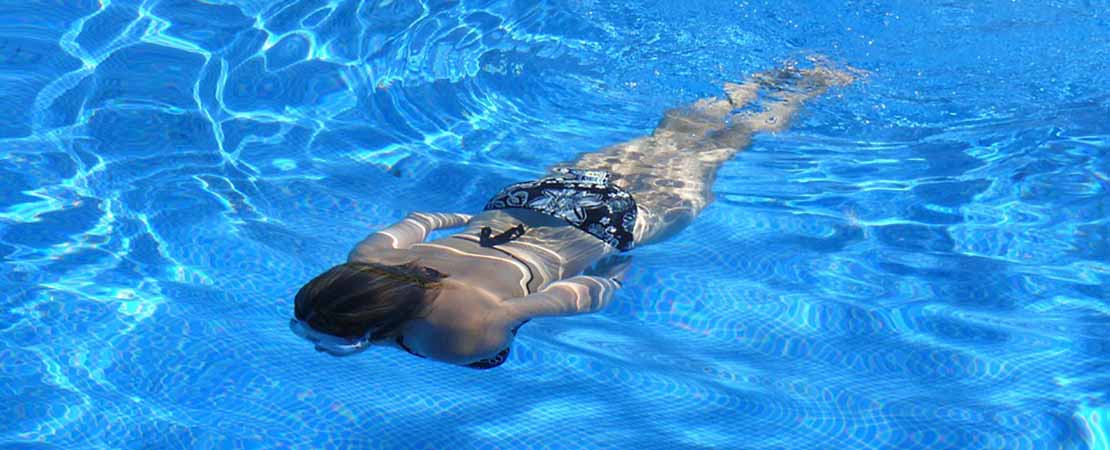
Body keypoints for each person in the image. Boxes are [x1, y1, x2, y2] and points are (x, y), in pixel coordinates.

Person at [290, 59, 856, 369]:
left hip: (604, 227)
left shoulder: (461, 334)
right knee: (673, 134)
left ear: (374, 329)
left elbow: (564, 298)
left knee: (720, 149)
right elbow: (420, 217)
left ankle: (809, 89)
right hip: (531, 200)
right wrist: (460, 216)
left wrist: (608, 279)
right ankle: (758, 76)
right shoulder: (369, 255)